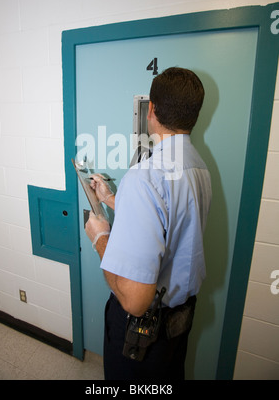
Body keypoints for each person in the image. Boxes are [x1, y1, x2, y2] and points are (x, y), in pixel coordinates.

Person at [85, 67, 212, 381]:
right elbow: (170, 218)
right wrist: (112, 198)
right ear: (193, 116)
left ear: (151, 110)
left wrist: (100, 237)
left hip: (142, 331)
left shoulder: (146, 175)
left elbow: (135, 301)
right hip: (179, 320)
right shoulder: (199, 168)